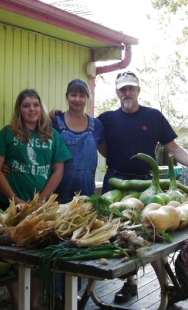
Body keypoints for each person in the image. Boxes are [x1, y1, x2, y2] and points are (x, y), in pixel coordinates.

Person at [97, 70, 188, 303]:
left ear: (139, 90)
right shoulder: (106, 119)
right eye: (123, 89)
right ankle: (130, 284)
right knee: (121, 233)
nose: (127, 92)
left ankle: (165, 286)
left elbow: (172, 147)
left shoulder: (153, 117)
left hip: (146, 184)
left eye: (131, 88)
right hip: (115, 181)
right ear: (117, 92)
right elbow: (94, 139)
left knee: (151, 231)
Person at [0, 88, 71, 310]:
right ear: (19, 109)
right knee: (10, 258)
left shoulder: (52, 135)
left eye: (35, 104)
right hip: (8, 206)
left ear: (41, 107)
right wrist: (14, 199)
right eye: (26, 105)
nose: (31, 109)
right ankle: (18, 304)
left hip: (39, 209)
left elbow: (58, 171)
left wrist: (41, 201)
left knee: (36, 257)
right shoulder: (7, 133)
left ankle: (33, 305)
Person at [51, 79, 104, 308]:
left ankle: (76, 291)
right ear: (67, 97)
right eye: (73, 95)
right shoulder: (56, 121)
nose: (77, 99)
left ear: (87, 99)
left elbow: (107, 148)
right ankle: (57, 294)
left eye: (81, 95)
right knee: (58, 239)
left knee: (81, 240)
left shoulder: (96, 125)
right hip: (60, 188)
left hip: (86, 191)